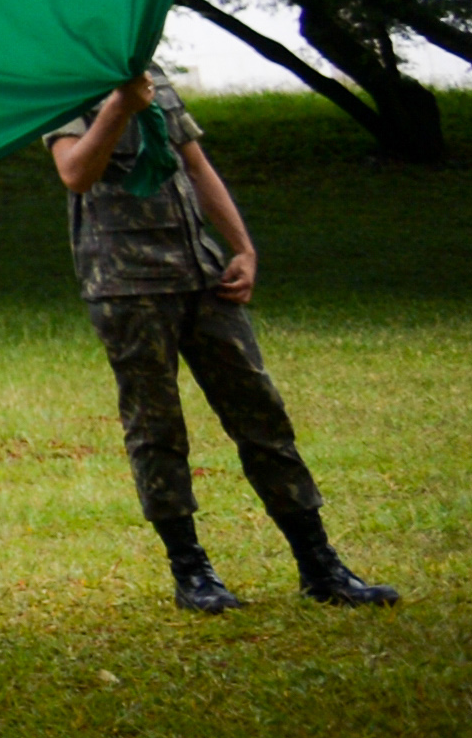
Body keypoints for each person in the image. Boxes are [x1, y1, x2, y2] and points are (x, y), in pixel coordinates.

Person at [45, 64, 398, 612]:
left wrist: (242, 248)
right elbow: (74, 173)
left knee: (262, 413)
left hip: (200, 272)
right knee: (156, 428)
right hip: (127, 283)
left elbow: (194, 163)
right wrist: (118, 105)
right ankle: (192, 573)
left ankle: (319, 564)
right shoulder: (66, 81)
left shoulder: (153, 73)